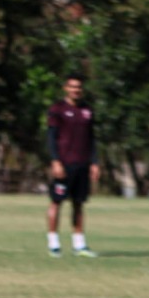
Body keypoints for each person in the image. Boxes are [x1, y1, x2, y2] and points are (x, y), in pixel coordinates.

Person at [46, 73, 100, 257]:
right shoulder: (57, 109)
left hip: (82, 164)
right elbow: (51, 137)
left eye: (78, 87)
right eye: (72, 86)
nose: (75, 90)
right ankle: (53, 244)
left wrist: (94, 162)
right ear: (65, 88)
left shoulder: (87, 111)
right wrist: (55, 161)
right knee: (56, 202)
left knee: (79, 204)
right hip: (64, 164)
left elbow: (92, 139)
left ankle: (80, 245)